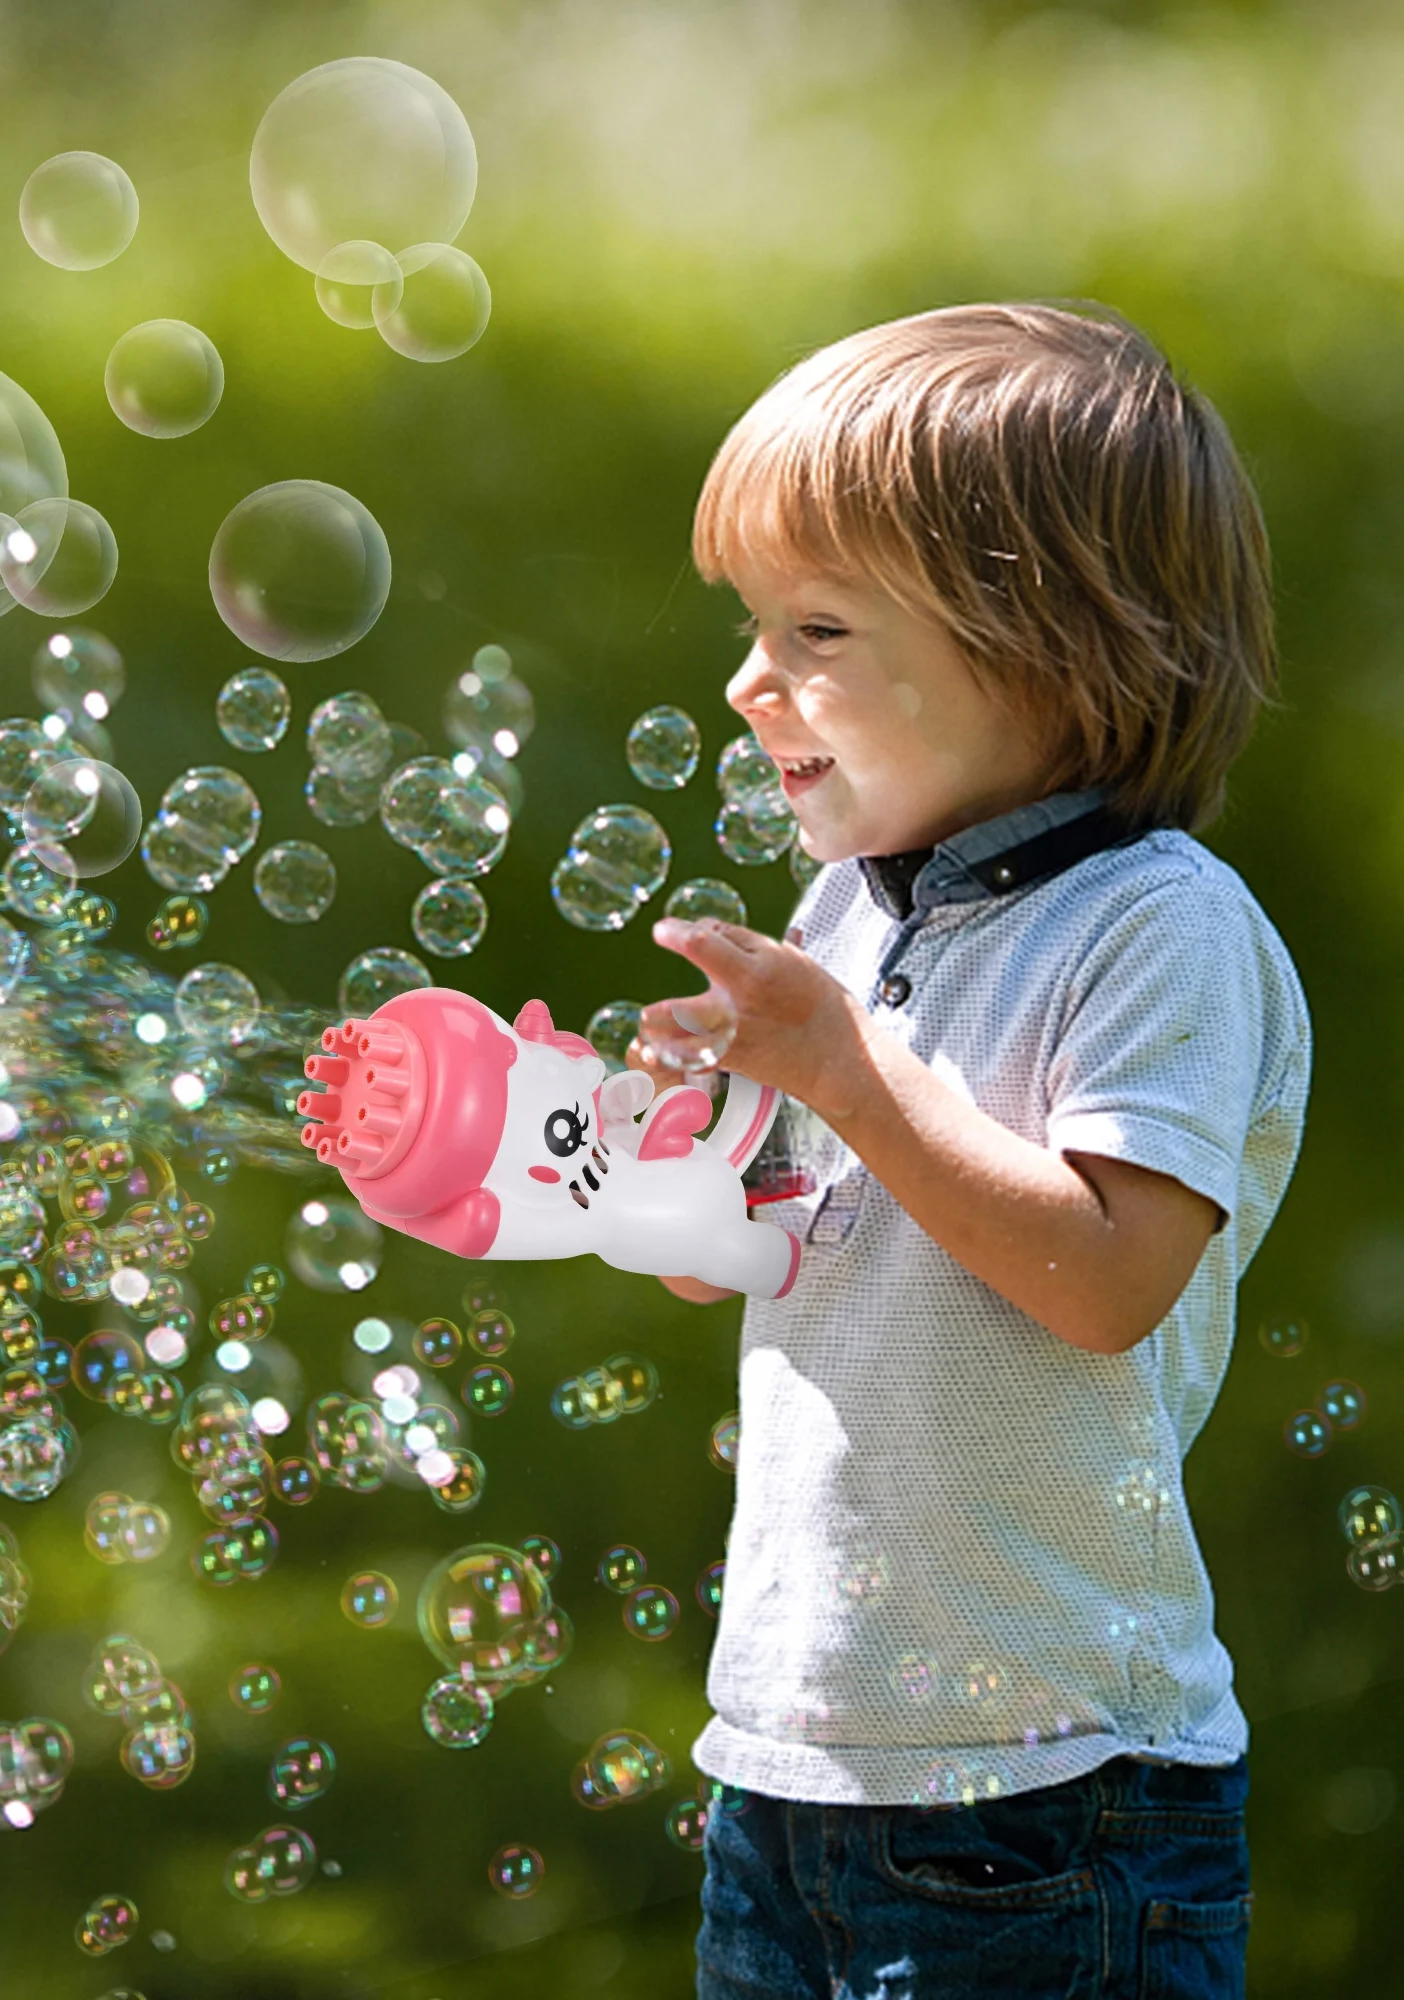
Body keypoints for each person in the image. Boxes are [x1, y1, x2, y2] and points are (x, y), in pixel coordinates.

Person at [635, 302, 1310, 2000]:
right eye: (751, 623)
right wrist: (674, 1187)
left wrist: (847, 1074)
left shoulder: (1157, 929)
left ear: (1046, 651)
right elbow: (824, 1232)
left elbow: (1103, 1279)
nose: (747, 679)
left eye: (817, 627)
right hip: (798, 1758)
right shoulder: (852, 918)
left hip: (1050, 1794)